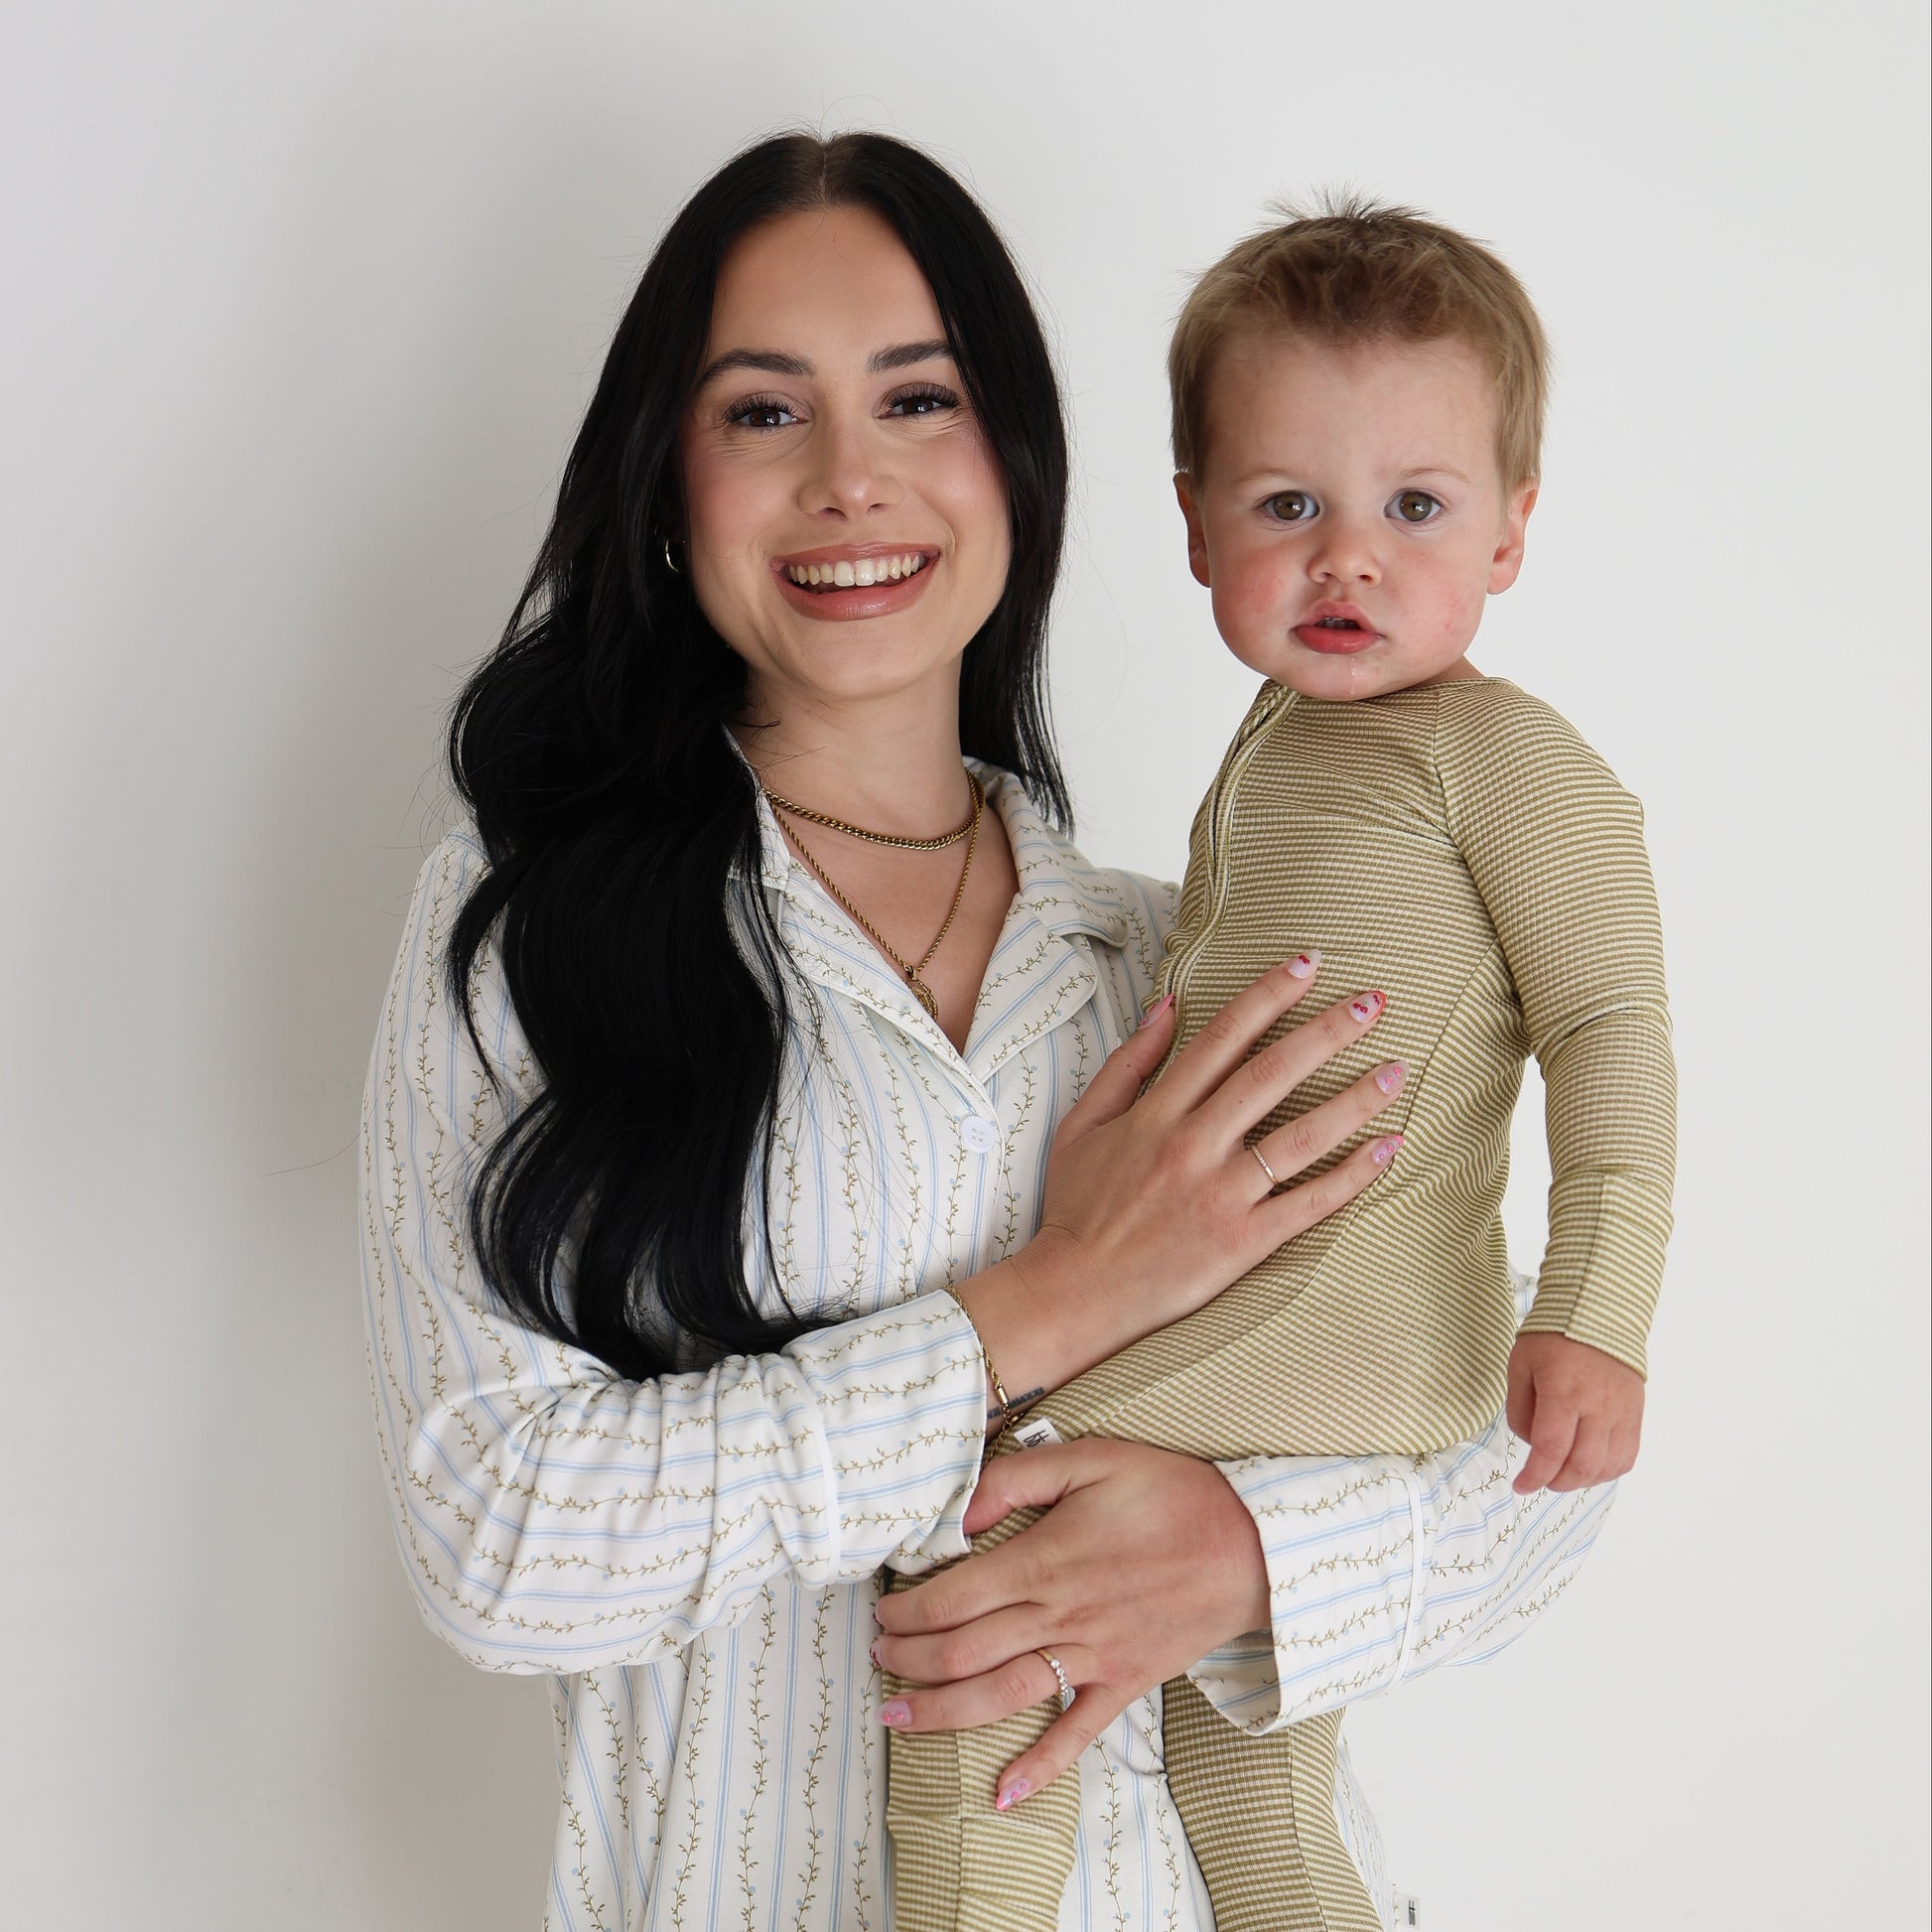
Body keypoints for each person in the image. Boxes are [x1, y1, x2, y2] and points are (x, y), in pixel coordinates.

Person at [359, 132, 1621, 1932]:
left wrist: (1244, 1556)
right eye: (762, 413)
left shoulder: (1179, 965)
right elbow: (497, 1546)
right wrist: (1044, 1303)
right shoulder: (530, 936)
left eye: (918, 400)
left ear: (1018, 462)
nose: (850, 483)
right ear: (666, 477)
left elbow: (1532, 1466)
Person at [882, 201, 1675, 1932]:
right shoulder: (1289, 742)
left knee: (992, 1528)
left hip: (1350, 1313)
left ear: (1512, 531)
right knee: (1248, 1746)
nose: (1346, 560)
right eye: (1285, 505)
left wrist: (1595, 1310)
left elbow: (1609, 1028)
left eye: (1415, 506)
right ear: (1193, 526)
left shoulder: (1508, 763)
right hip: (1287, 1302)